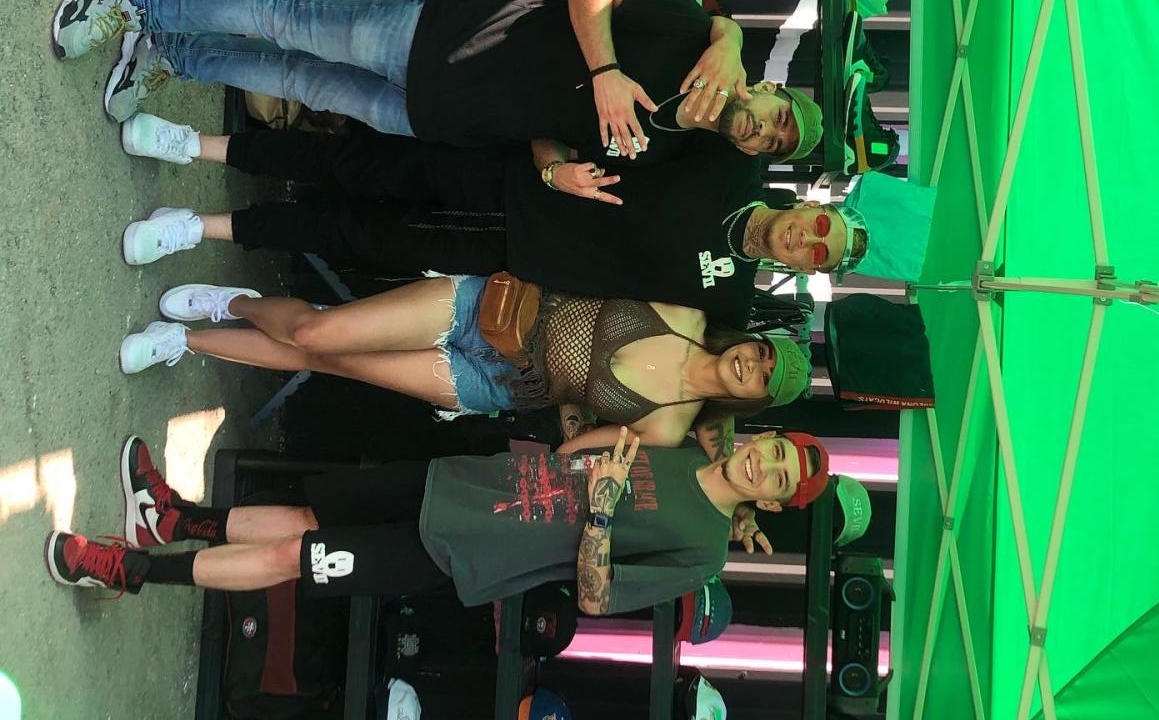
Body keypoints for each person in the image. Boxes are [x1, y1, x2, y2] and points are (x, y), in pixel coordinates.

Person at [51, 0, 821, 169]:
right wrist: (607, 72)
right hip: (445, 38)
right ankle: (128, 3)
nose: (766, 132)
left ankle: (173, 54)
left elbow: (552, 128)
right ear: (769, 90)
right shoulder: (691, 32)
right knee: (289, 18)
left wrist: (556, 170)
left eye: (775, 146)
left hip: (434, 117)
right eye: (780, 118)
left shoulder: (674, 150)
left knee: (292, 79)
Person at [116, 121, 870, 330]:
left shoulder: (732, 299)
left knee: (356, 236)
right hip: (519, 177)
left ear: (807, 271)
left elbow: (713, 390)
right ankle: (198, 144)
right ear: (814, 206)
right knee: (359, 164)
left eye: (817, 255)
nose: (805, 241)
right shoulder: (732, 164)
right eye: (819, 228)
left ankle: (200, 227)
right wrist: (553, 154)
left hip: (512, 254)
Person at [46, 428, 831, 616]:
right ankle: (175, 520)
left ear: (770, 503)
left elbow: (596, 597)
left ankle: (129, 571)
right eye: (775, 452)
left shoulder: (702, 556)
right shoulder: (689, 444)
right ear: (763, 439)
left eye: (778, 480)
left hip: (460, 552)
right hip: (460, 482)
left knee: (296, 554)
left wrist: (601, 507)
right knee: (311, 513)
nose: (765, 466)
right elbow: (585, 448)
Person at [117, 274, 813, 449]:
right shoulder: (687, 316)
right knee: (318, 333)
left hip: (496, 386)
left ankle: (184, 342)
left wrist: (579, 457)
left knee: (338, 363)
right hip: (494, 310)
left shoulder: (669, 426)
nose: (750, 366)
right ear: (749, 341)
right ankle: (233, 302)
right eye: (759, 354)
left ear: (751, 400)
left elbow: (583, 446)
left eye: (761, 379)